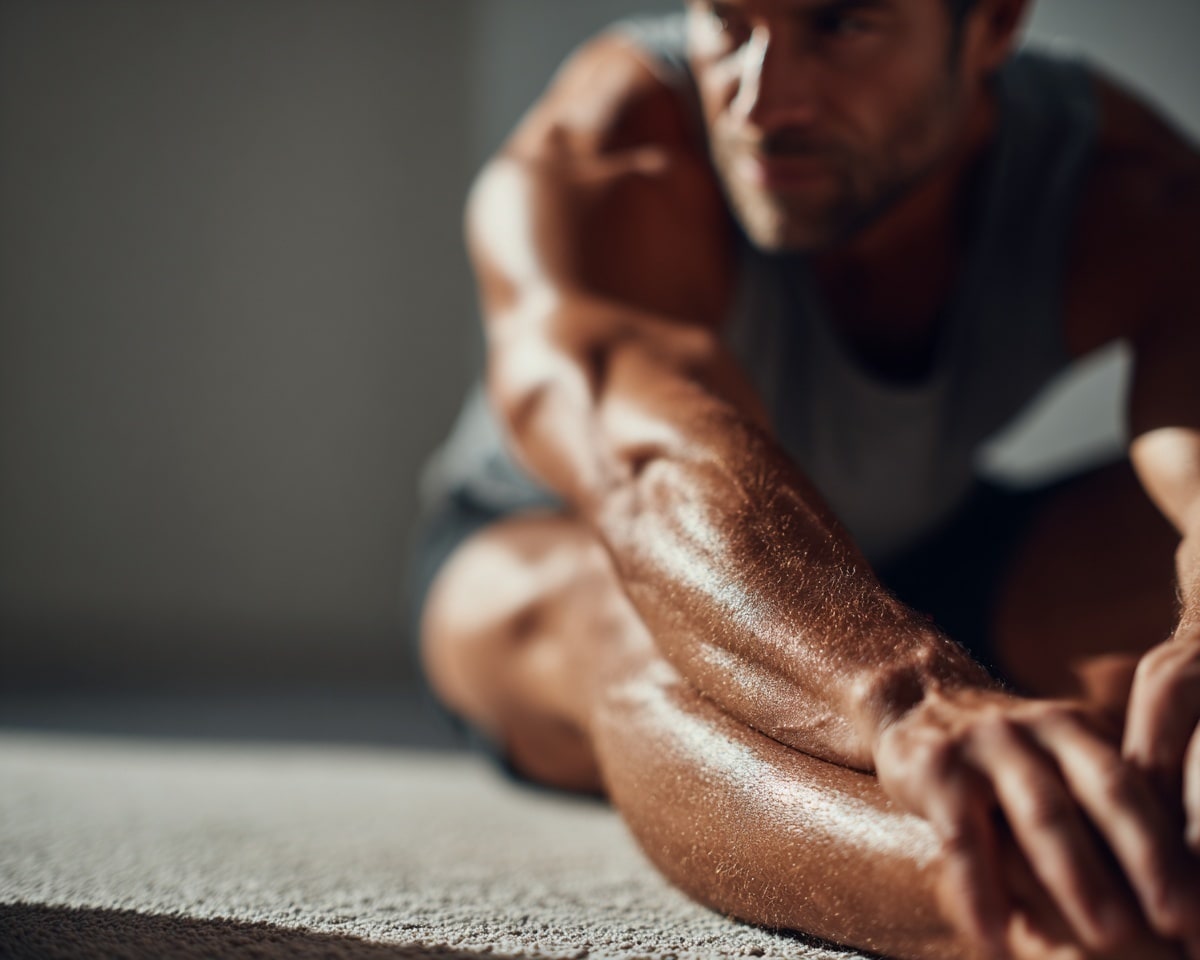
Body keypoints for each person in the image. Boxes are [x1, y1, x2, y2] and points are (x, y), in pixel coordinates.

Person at [411, 1, 1200, 956]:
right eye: (727, 22)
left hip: (929, 548)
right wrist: (911, 696)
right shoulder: (614, 151)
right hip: (563, 544)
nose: (758, 101)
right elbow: (651, 476)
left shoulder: (1124, 182)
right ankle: (1053, 913)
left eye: (840, 26)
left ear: (992, 25)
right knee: (649, 620)